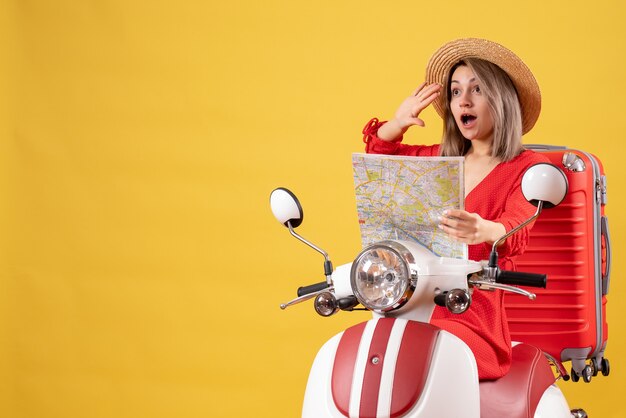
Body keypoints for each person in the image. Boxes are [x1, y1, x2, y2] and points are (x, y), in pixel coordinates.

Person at [361, 38, 549, 380]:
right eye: (456, 91)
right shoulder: (441, 161)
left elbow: (517, 225)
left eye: (477, 90)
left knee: (431, 352)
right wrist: (397, 123)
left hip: (471, 316)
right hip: (411, 301)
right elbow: (376, 171)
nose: (463, 100)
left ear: (502, 100)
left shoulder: (525, 166)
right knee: (369, 349)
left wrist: (485, 230)